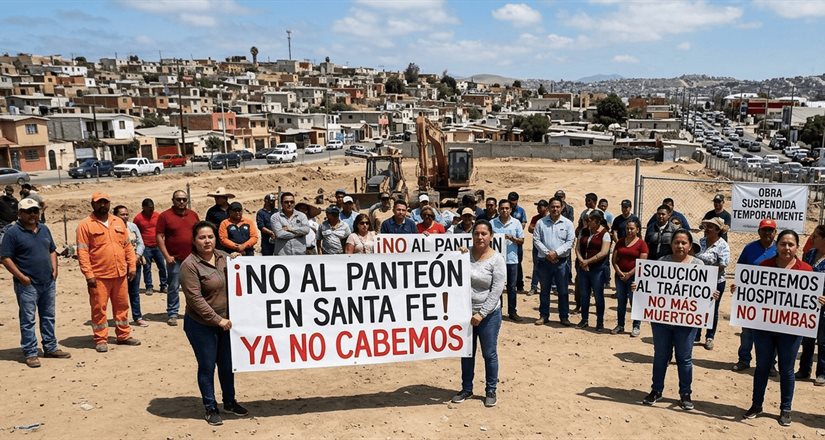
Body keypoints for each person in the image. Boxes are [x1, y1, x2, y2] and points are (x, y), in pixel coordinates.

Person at [742, 229, 818, 427]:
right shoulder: (764, 266)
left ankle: (785, 409)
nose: (786, 248)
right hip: (764, 327)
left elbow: (810, 298)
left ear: (797, 247)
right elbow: (752, 293)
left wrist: (819, 300)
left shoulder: (806, 271)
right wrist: (741, 289)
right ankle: (756, 405)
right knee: (762, 367)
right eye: (783, 244)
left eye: (791, 244)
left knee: (786, 369)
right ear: (777, 246)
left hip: (791, 330)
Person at [181, 221, 248, 426]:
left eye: (210, 236)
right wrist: (218, 320)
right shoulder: (189, 265)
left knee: (227, 365)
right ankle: (210, 407)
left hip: (227, 324)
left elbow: (242, 279)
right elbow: (196, 300)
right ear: (194, 241)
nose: (207, 241)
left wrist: (239, 261)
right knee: (207, 365)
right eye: (202, 237)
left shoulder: (223, 257)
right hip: (202, 325)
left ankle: (229, 401)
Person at [641, 229, 712, 411]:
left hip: (687, 323)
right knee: (660, 357)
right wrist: (639, 286)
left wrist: (713, 294)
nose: (680, 246)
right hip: (662, 321)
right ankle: (656, 390)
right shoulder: (662, 262)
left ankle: (685, 394)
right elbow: (650, 287)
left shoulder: (699, 265)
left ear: (690, 246)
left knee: (684, 358)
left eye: (684, 243)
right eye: (676, 242)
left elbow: (704, 293)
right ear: (671, 244)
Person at [0, 198, 71, 367]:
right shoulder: (12, 232)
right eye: (28, 211)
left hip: (48, 282)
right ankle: (31, 352)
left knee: (48, 316)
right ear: (20, 213)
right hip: (27, 285)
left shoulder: (44, 229)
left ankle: (50, 347)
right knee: (28, 319)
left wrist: (55, 269)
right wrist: (22, 277)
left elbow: (52, 250)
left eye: (35, 211)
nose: (32, 214)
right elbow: (5, 258)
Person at [450, 219, 505, 408]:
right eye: (476, 233)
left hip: (488, 315)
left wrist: (481, 314)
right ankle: (466, 388)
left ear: (491, 236)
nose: (480, 237)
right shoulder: (464, 255)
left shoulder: (497, 260)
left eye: (484, 233)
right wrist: (457, 255)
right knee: (467, 353)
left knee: (489, 354)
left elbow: (496, 290)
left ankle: (491, 390)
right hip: (465, 314)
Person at [76, 192, 140, 351]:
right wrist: (88, 275)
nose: (102, 205)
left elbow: (128, 246)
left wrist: (132, 266)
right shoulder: (85, 225)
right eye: (99, 202)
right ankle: (101, 339)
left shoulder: (118, 221)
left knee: (122, 306)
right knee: (99, 309)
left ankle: (123, 335)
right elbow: (82, 252)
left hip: (120, 274)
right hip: (99, 277)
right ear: (92, 204)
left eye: (105, 202)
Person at [731, 219, 778, 373]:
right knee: (747, 332)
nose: (767, 233)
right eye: (764, 230)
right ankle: (744, 359)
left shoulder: (781, 248)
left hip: (774, 301)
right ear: (759, 231)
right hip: (751, 300)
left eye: (770, 230)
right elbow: (741, 269)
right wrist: (737, 285)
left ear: (775, 232)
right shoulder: (749, 248)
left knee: (772, 333)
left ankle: (770, 363)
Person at [157, 190, 201, 326]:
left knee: (195, 287)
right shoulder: (165, 216)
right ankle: (173, 313)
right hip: (174, 260)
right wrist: (166, 256)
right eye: (178, 199)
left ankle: (196, 312)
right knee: (174, 286)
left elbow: (199, 233)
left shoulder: (193, 215)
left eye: (184, 199)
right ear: (173, 200)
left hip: (193, 258)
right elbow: (159, 236)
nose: (181, 202)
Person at [533, 198, 575, 326]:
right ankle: (544, 315)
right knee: (544, 290)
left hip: (561, 262)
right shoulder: (541, 223)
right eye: (552, 207)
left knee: (563, 291)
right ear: (548, 208)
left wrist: (556, 253)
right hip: (544, 262)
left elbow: (570, 242)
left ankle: (564, 317)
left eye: (557, 206)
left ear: (562, 207)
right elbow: (536, 240)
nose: (555, 209)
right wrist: (547, 254)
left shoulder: (567, 224)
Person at [694, 217, 730, 350]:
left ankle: (709, 336)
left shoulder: (723, 245)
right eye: (707, 226)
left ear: (718, 230)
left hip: (716, 282)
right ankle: (696, 334)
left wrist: (707, 273)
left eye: (711, 226)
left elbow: (723, 264)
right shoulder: (701, 241)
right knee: (697, 306)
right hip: (698, 281)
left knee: (712, 309)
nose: (707, 229)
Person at [574, 210, 612, 331]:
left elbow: (603, 252)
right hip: (583, 268)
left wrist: (587, 261)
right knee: (584, 295)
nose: (587, 222)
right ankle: (584, 319)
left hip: (598, 269)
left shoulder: (605, 234)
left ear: (597, 221)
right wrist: (581, 260)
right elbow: (577, 247)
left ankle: (599, 322)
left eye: (590, 220)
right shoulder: (584, 231)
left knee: (598, 295)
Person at [611, 219, 648, 336]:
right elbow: (614, 259)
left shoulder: (642, 244)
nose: (629, 231)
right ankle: (620, 325)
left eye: (632, 228)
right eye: (627, 228)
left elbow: (642, 262)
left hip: (634, 278)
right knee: (621, 301)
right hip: (620, 276)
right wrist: (619, 272)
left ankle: (636, 326)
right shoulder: (620, 242)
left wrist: (629, 274)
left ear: (637, 230)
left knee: (634, 302)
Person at [798, 224, 825, 385]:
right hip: (808, 305)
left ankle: (822, 372)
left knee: (823, 341)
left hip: (823, 308)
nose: (811, 238)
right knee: (806, 339)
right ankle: (804, 369)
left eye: (815, 236)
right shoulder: (809, 254)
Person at [115, 205, 148, 327]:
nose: (124, 217)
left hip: (135, 264)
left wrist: (137, 256)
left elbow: (140, 242)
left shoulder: (133, 227)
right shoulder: (113, 228)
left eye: (126, 214)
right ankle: (121, 319)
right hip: (119, 265)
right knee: (120, 294)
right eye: (121, 214)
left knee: (134, 292)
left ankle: (137, 316)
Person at [492, 199, 525, 321]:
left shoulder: (516, 223)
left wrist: (513, 239)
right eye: (502, 208)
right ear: (498, 209)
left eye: (507, 208)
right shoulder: (492, 223)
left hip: (512, 260)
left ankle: (512, 312)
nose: (504, 210)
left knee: (512, 287)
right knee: (497, 287)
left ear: (510, 210)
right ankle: (497, 312)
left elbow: (522, 240)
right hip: (496, 260)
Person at [133, 198, 167, 295]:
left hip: (158, 246)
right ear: (143, 207)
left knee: (162, 266)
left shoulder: (158, 216)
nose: (151, 210)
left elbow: (163, 228)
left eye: (152, 208)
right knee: (147, 268)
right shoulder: (138, 218)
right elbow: (135, 232)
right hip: (145, 247)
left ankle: (164, 286)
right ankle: (149, 286)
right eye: (149, 209)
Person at [527, 199, 549, 296]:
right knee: (536, 266)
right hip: (537, 245)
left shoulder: (550, 218)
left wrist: (537, 229)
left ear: (546, 208)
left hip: (548, 245)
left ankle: (552, 286)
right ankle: (534, 286)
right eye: (538, 207)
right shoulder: (536, 218)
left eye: (540, 207)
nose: (538, 209)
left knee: (551, 266)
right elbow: (530, 229)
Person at [507, 192, 528, 294]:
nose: (512, 204)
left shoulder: (521, 211)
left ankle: (520, 285)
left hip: (516, 240)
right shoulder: (504, 209)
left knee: (517, 263)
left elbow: (523, 223)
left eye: (514, 203)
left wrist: (515, 230)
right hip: (505, 242)